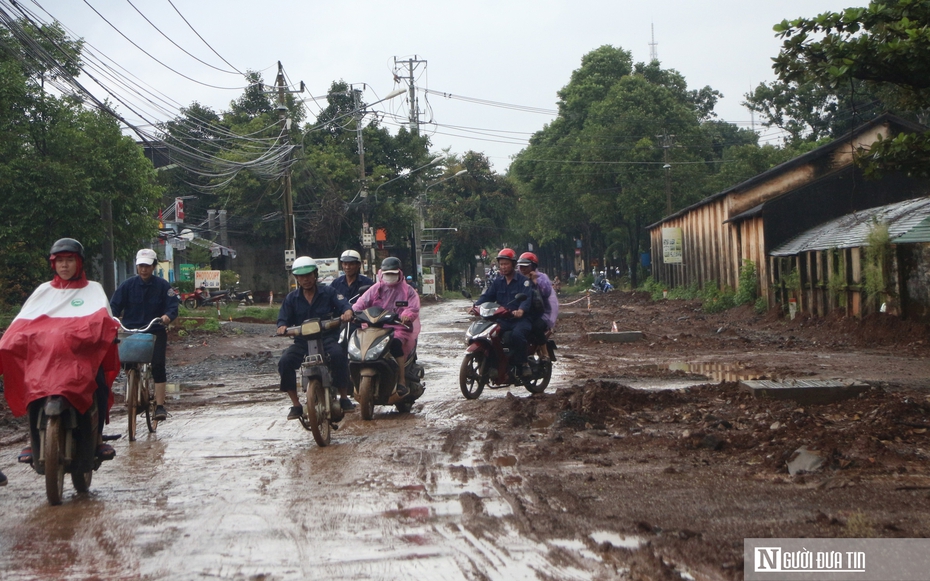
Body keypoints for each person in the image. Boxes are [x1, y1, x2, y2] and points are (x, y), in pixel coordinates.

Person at [1, 238, 121, 464]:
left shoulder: (93, 289)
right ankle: (32, 439)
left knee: (98, 384)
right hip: (45, 360)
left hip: (80, 359)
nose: (64, 266)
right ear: (53, 264)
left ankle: (96, 438)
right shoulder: (43, 291)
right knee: (32, 386)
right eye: (59, 261)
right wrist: (9, 340)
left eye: (69, 260)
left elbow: (103, 322)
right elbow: (22, 324)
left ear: (79, 263)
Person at [277, 256, 355, 418]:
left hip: (326, 339)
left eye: (308, 275)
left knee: (339, 355)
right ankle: (296, 405)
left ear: (315, 275)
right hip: (302, 342)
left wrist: (347, 312)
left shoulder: (329, 292)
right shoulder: (291, 298)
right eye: (301, 276)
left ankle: (344, 398)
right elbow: (282, 319)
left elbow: (344, 305)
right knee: (285, 362)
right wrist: (282, 326)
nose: (305, 279)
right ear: (297, 278)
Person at [110, 248, 179, 422]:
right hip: (131, 331)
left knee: (157, 365)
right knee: (126, 362)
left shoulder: (163, 286)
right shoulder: (127, 286)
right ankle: (135, 390)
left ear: (154, 266)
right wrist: (113, 319)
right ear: (137, 266)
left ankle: (160, 405)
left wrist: (167, 317)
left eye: (147, 266)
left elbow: (172, 307)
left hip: (155, 331)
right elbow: (114, 306)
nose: (144, 269)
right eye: (141, 266)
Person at [353, 257, 421, 400]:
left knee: (395, 344)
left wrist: (406, 315)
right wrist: (352, 312)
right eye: (387, 273)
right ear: (381, 273)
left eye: (393, 273)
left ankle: (401, 380)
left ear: (399, 273)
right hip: (375, 326)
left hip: (398, 328)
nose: (390, 276)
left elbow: (413, 307)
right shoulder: (375, 289)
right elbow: (361, 303)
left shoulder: (408, 291)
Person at [475, 248, 534, 377]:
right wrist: (475, 306)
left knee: (517, 335)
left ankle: (524, 364)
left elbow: (526, 298)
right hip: (503, 319)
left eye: (506, 264)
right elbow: (488, 296)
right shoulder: (498, 281)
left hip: (520, 320)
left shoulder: (523, 281)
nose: (503, 267)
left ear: (513, 264)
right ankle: (494, 364)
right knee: (489, 334)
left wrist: (520, 310)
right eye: (501, 264)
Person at [517, 252, 559, 356]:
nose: (522, 269)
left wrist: (535, 282)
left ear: (533, 266)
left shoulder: (542, 278)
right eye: (521, 266)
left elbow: (545, 292)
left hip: (544, 312)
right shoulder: (517, 278)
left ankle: (545, 353)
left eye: (525, 266)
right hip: (526, 311)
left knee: (536, 327)